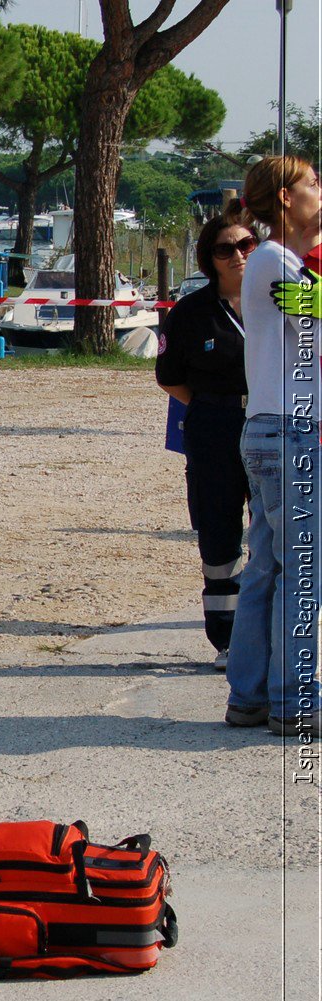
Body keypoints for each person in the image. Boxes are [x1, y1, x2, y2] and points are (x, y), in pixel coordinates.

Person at [226, 156, 321, 736]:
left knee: (267, 566)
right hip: (291, 429)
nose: (320, 189)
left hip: (271, 427)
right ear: (285, 198)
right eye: (312, 182)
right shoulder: (273, 259)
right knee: (299, 569)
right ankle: (292, 700)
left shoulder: (275, 260)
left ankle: (252, 694)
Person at [156, 216, 256, 669]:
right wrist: (217, 406)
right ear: (208, 257)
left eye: (246, 244)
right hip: (214, 425)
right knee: (219, 535)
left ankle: (270, 634)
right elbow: (170, 377)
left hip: (271, 422)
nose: (238, 254)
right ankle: (228, 640)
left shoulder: (277, 303)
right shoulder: (192, 312)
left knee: (275, 534)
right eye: (225, 248)